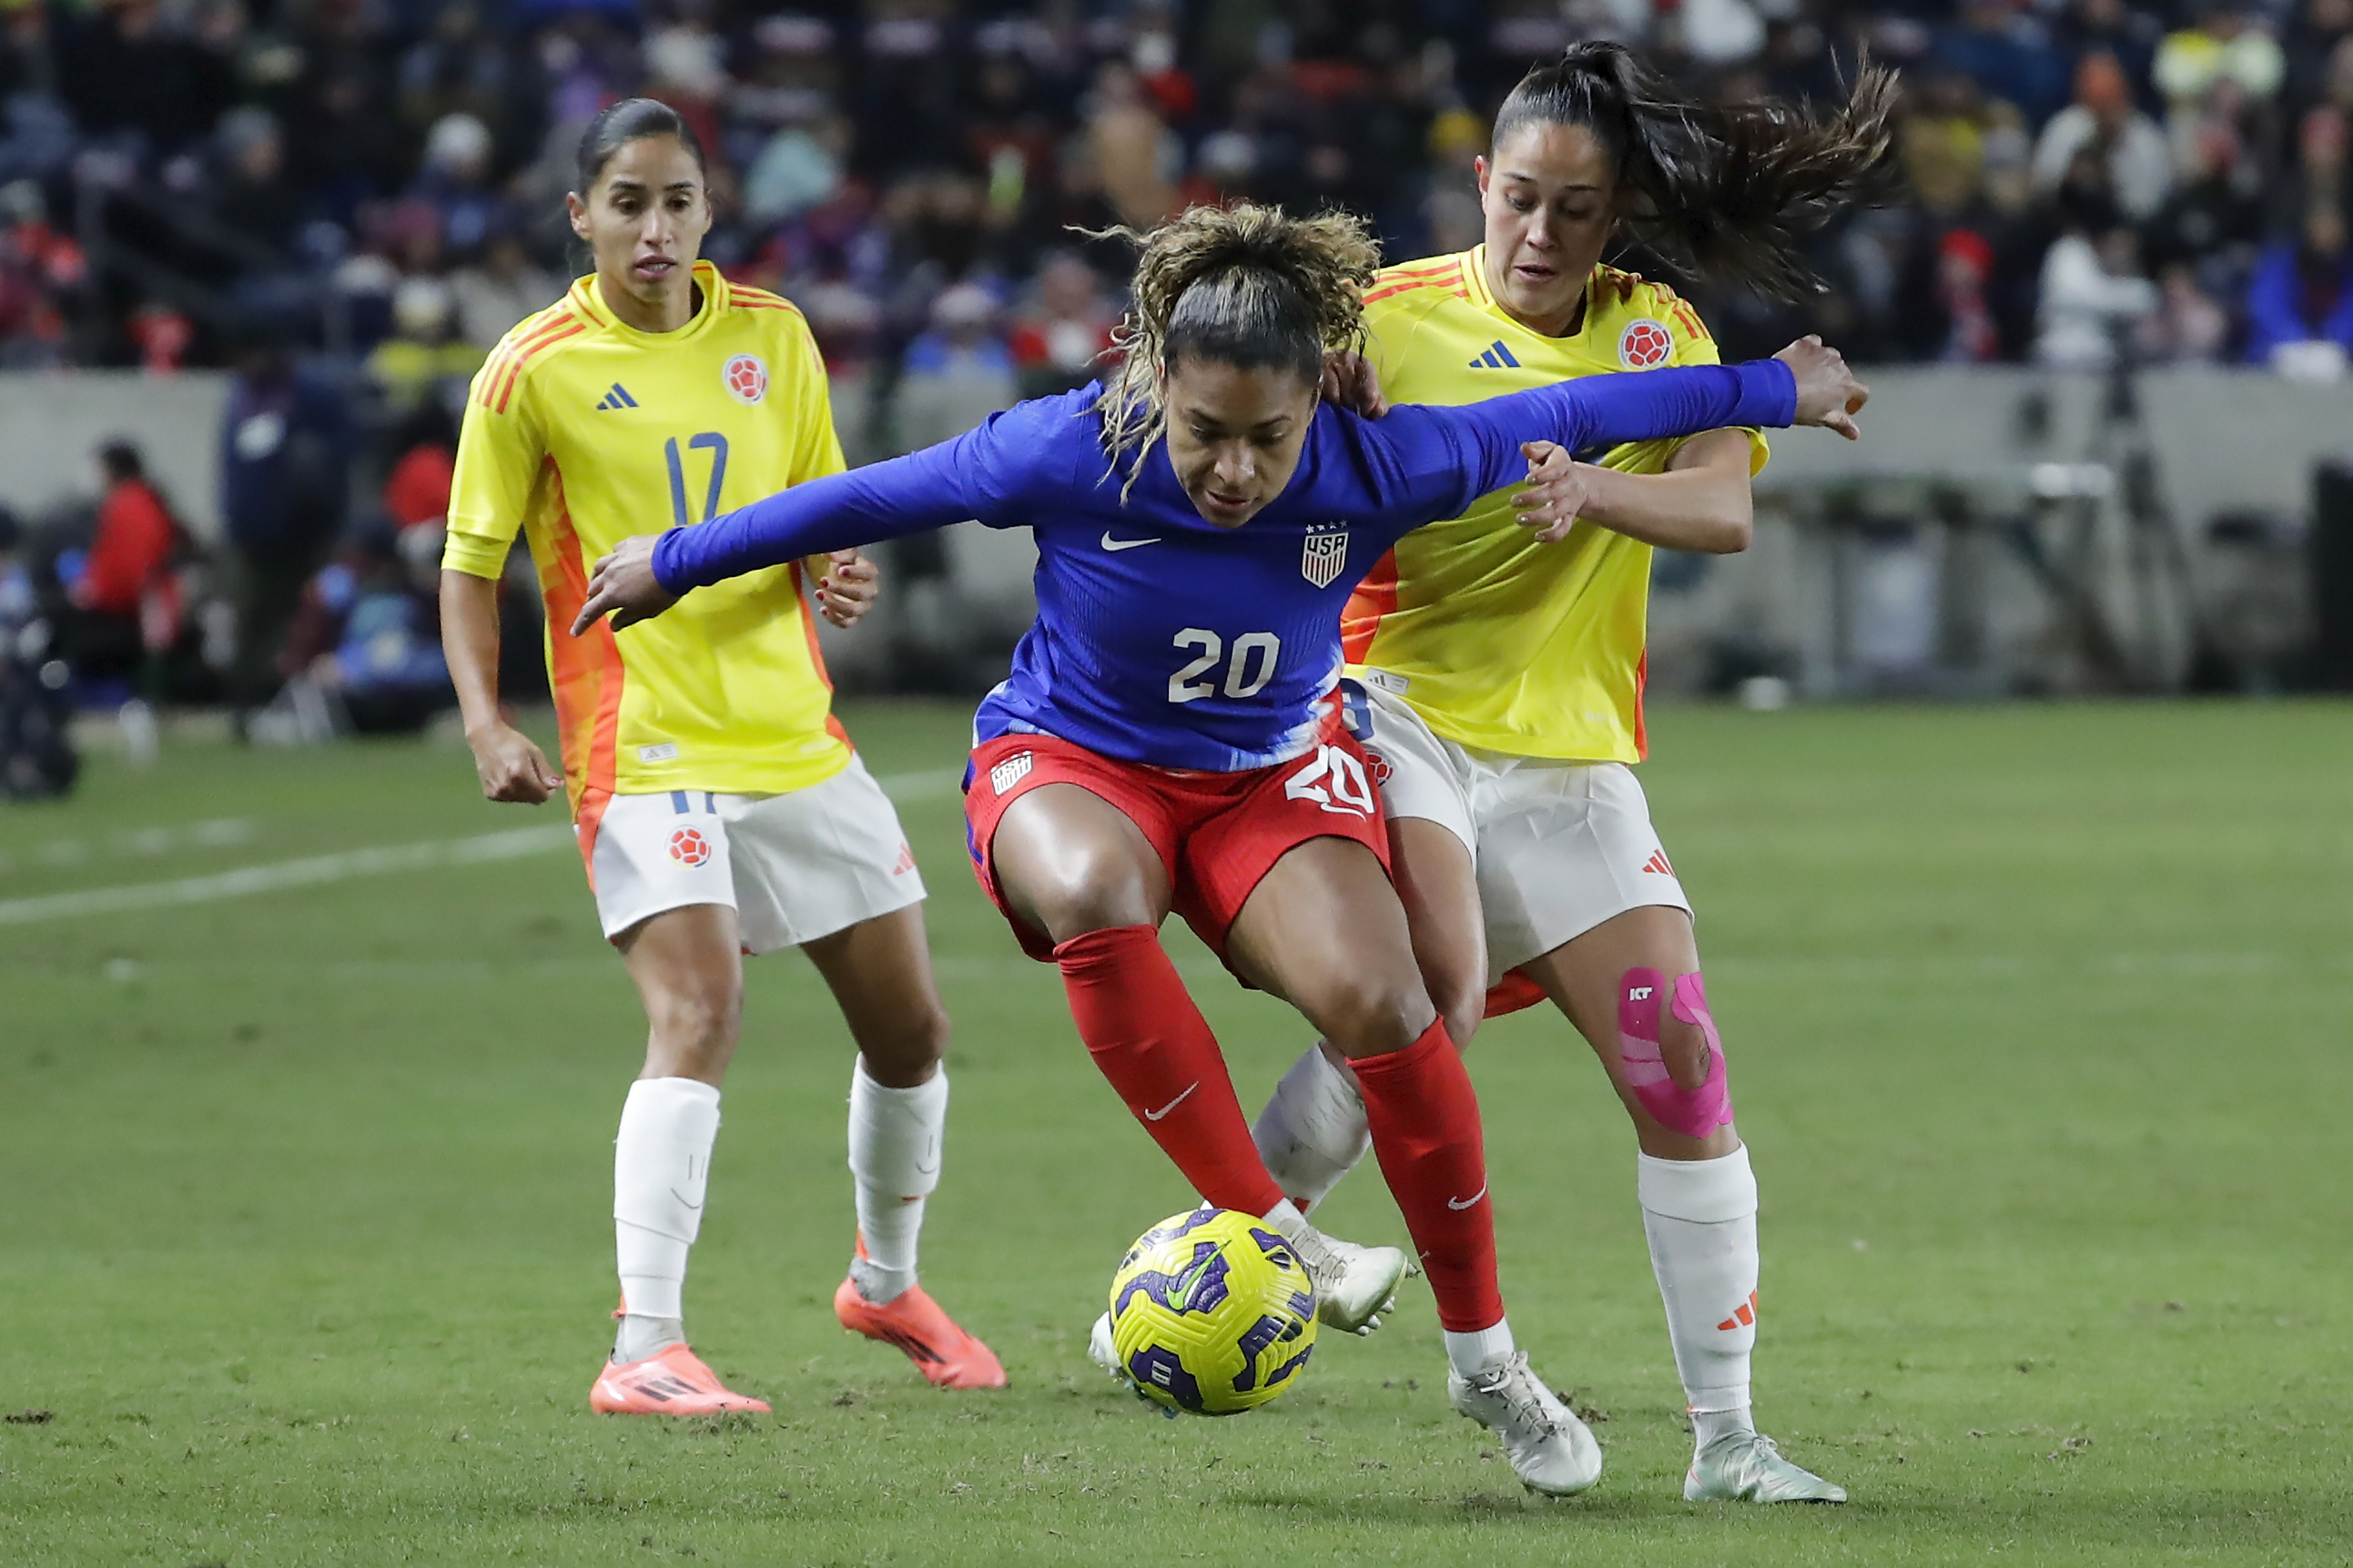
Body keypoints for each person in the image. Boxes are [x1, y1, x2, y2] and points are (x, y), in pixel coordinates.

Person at [571, 201, 1868, 1492]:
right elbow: (869, 493)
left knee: (1388, 1002)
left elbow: (1588, 415)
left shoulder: (1379, 465)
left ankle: (1488, 1366)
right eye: (1204, 434)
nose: (1235, 470)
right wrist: (675, 559)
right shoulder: (1072, 446)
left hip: (1263, 781)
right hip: (1073, 762)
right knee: (1088, 888)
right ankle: (1274, 1235)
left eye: (1267, 439)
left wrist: (1778, 388)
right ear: (1154, 387)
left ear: (1318, 404)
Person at [1243, 43, 1894, 1505]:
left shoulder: (1658, 337)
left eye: (1578, 212)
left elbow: (1723, 508)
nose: (1540, 239)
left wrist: (1593, 483)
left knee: (1681, 1063)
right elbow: (1250, 477)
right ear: (1479, 184)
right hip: (1389, 704)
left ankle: (1723, 1440)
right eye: (1520, 201)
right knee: (1437, 998)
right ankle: (1236, 1238)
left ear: (1619, 217)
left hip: (1569, 748)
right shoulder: (1379, 319)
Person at [438, 97, 1003, 1418]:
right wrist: (484, 717)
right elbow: (470, 567)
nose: (653, 227)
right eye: (626, 202)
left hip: (793, 739)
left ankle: (884, 1280)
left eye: (676, 201)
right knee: (697, 1011)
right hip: (645, 744)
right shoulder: (530, 369)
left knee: (912, 1032)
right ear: (580, 215)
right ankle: (645, 1344)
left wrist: (833, 563)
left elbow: (814, 502)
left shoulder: (773, 335)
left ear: (709, 209)